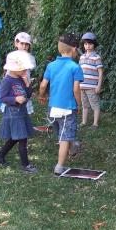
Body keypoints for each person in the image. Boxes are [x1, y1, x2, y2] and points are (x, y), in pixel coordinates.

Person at [38, 33, 83, 175]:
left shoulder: (51, 66)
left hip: (53, 108)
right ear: (74, 49)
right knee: (65, 137)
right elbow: (76, 88)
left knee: (62, 134)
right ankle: (59, 166)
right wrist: (79, 104)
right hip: (68, 109)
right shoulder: (75, 67)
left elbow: (43, 85)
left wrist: (41, 96)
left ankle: (73, 144)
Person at [0, 50, 37, 173]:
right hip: (13, 113)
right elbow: (2, 97)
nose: (25, 71)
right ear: (14, 68)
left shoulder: (21, 78)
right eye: (23, 68)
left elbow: (28, 95)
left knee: (15, 137)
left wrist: (27, 84)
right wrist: (15, 99)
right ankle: (25, 165)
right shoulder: (7, 81)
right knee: (22, 138)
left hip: (22, 112)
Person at [79, 31, 104, 128]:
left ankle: (95, 123)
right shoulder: (82, 57)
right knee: (84, 105)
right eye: (85, 44)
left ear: (94, 45)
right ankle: (83, 122)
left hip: (92, 87)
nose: (88, 46)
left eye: (90, 44)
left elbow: (100, 72)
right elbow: (79, 71)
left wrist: (98, 86)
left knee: (95, 105)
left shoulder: (96, 57)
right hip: (82, 86)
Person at [13, 32, 36, 116]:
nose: (24, 46)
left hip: (25, 83)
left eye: (26, 44)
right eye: (22, 43)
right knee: (14, 101)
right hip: (13, 83)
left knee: (25, 100)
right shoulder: (12, 56)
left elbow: (32, 66)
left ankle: (24, 118)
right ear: (16, 44)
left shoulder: (30, 57)